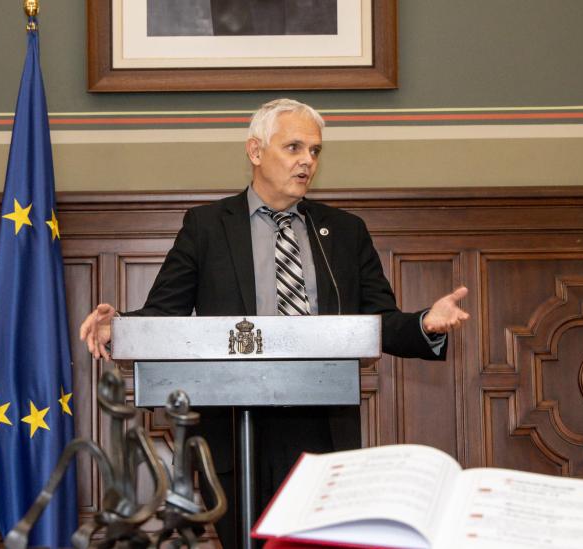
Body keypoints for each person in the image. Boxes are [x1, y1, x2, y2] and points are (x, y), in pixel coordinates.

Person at [78, 98, 469, 547]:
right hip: (233, 423)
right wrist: (119, 326)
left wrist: (427, 324)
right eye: (294, 147)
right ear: (256, 151)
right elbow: (164, 314)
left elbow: (378, 322)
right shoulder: (207, 227)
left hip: (321, 425)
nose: (307, 161)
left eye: (316, 151)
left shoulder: (344, 232)